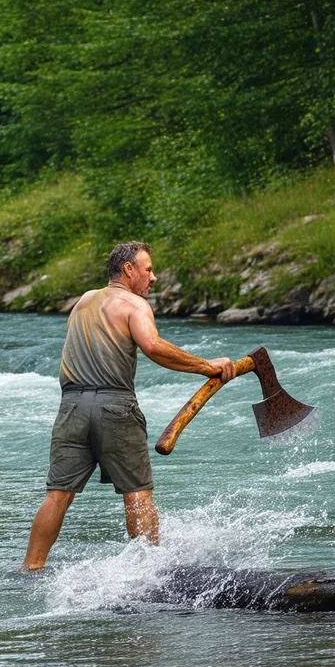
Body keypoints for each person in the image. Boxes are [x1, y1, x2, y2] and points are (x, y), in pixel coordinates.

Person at [21, 241, 236, 571]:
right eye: (148, 269)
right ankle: (149, 572)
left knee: (58, 494)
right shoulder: (134, 304)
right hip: (115, 406)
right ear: (128, 270)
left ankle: (30, 569)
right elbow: (152, 346)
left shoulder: (84, 301)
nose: (154, 277)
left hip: (71, 407)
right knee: (137, 492)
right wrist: (207, 366)